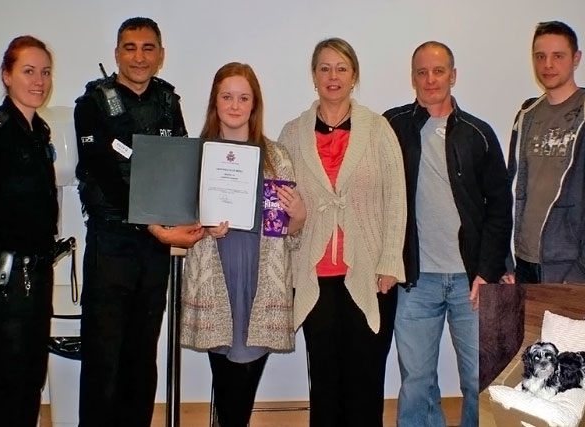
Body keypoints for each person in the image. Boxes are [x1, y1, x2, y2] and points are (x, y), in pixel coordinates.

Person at [154, 62, 305, 427]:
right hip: (216, 283)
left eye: (243, 98)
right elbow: (175, 221)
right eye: (227, 97)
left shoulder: (277, 156)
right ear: (214, 102)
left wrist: (298, 215)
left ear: (254, 104)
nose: (235, 106)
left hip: (259, 284)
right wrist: (202, 229)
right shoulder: (195, 157)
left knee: (242, 388)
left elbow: (289, 233)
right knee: (227, 387)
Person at [73, 17, 197, 427]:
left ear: (160, 55)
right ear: (116, 53)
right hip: (111, 244)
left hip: (153, 249)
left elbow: (180, 166)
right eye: (130, 47)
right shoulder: (92, 104)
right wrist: (154, 225)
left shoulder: (167, 101)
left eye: (148, 48)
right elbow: (103, 173)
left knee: (143, 358)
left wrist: (189, 217)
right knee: (104, 360)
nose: (139, 56)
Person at [278, 37, 406, 427]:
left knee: (366, 379)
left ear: (354, 77)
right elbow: (280, 207)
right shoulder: (292, 134)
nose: (333, 76)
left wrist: (389, 263)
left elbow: (396, 199)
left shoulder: (378, 129)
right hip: (315, 277)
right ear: (313, 76)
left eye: (341, 68)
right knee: (325, 382)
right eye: (324, 68)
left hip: (370, 275)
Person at [383, 41, 512, 427]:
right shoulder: (393, 127)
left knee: (478, 381)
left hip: (469, 282)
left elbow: (499, 208)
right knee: (416, 383)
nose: (430, 79)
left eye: (438, 71)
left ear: (453, 76)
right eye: (421, 72)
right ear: (412, 78)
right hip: (414, 281)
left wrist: (487, 270)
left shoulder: (479, 134)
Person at [0, 35, 58, 427]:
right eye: (28, 71)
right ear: (7, 76)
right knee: (5, 383)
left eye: (45, 72)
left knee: (30, 381)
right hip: (5, 278)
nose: (39, 81)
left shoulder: (38, 131)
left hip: (37, 274)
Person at [508, 21, 585, 284]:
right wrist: (505, 261)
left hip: (569, 269)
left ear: (576, 58)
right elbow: (509, 188)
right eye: (540, 56)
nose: (548, 65)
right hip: (522, 265)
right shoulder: (527, 115)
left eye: (558, 56)